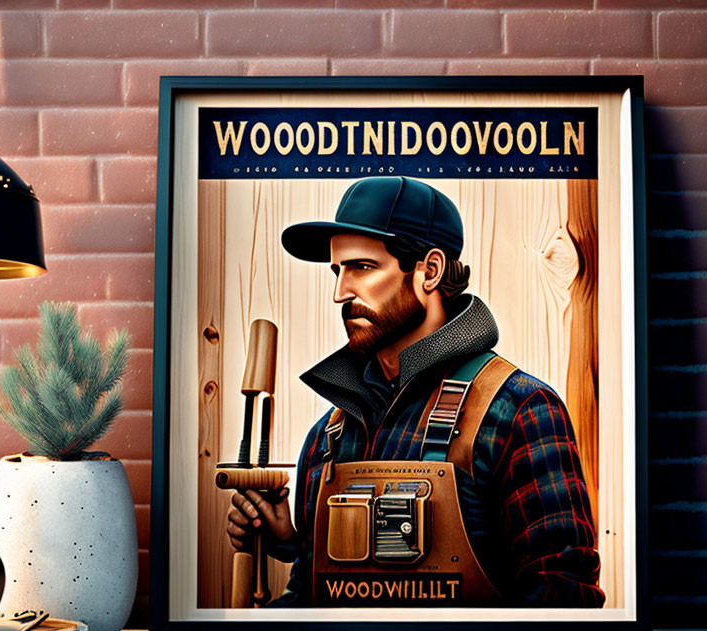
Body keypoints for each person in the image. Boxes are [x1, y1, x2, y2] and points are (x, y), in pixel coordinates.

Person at [226, 175, 604, 607]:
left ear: (430, 270)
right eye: (337, 271)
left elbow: (565, 604)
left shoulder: (519, 411)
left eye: (362, 268)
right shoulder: (326, 439)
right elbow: (310, 604)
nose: (339, 293)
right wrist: (292, 546)